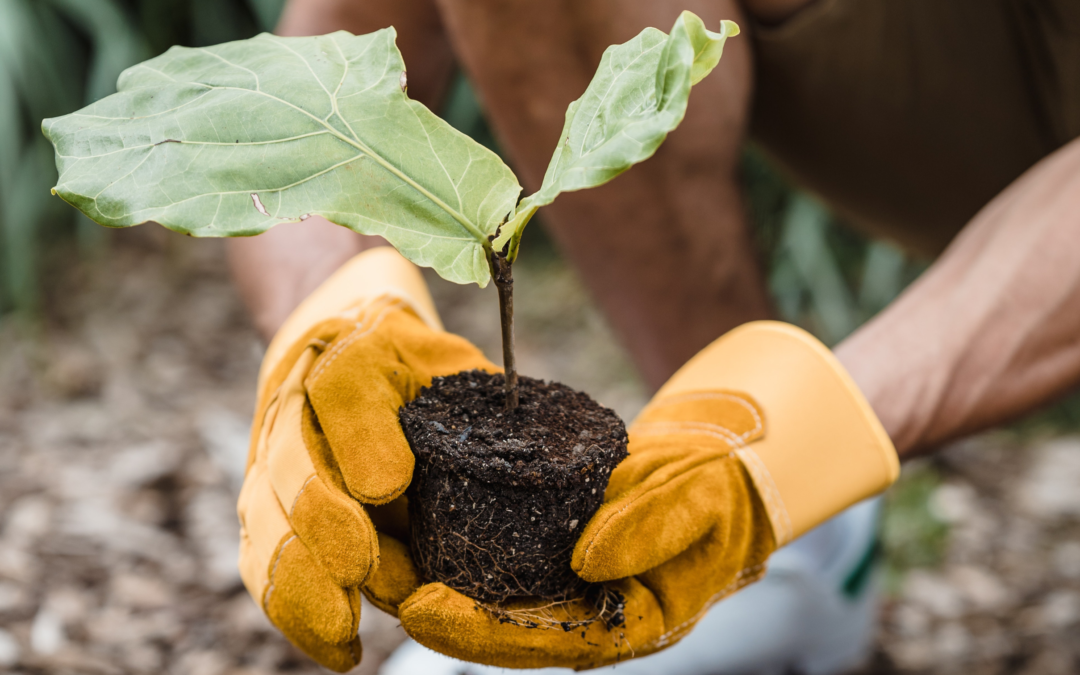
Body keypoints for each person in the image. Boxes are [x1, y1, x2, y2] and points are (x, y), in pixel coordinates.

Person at [230, 0, 1080, 673]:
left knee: (774, 468)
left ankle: (774, 519)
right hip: (948, 82)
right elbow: (309, 97)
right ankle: (772, 551)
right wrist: (331, 314)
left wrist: (792, 437)